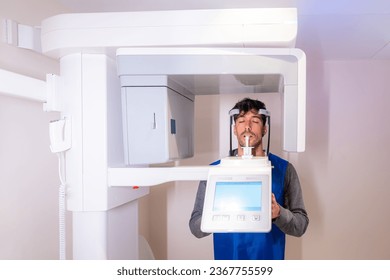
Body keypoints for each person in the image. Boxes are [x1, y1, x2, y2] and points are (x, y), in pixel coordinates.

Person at [189, 97, 309, 260]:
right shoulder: (215, 171)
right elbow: (195, 227)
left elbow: (300, 225)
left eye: (255, 121)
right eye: (241, 121)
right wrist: (216, 214)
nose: (247, 127)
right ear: (234, 128)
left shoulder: (284, 170)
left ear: (265, 129)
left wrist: (278, 213)